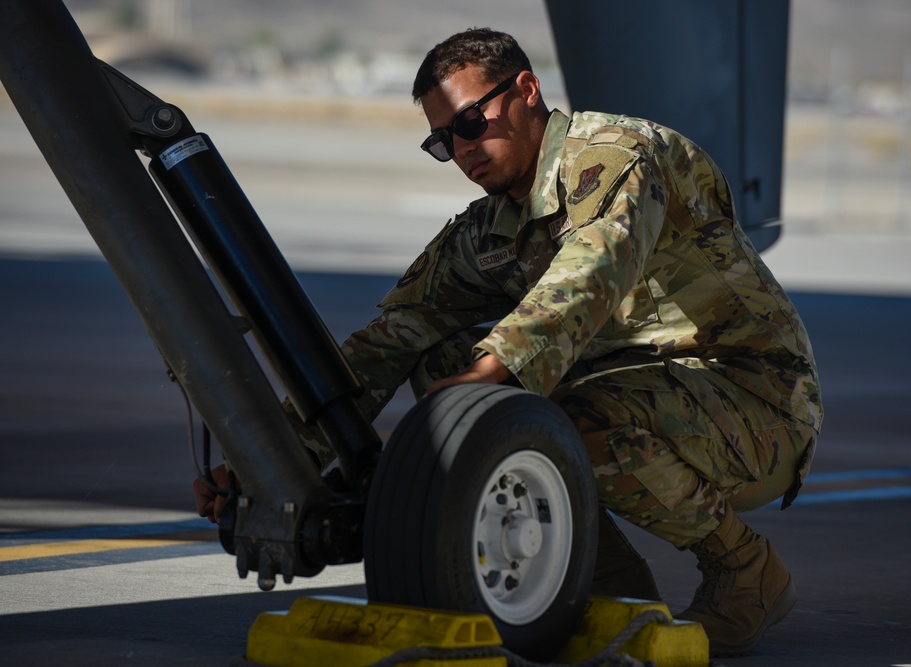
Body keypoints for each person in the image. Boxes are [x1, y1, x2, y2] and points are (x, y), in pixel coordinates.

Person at [196, 28, 822, 657]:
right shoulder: (489, 228)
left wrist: (488, 379)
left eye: (471, 121)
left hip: (752, 399)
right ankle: (610, 591)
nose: (463, 148)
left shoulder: (620, 156)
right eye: (443, 141)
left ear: (526, 91)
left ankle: (745, 572)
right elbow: (388, 341)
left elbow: (589, 276)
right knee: (439, 355)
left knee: (539, 409)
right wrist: (269, 459)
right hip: (639, 394)